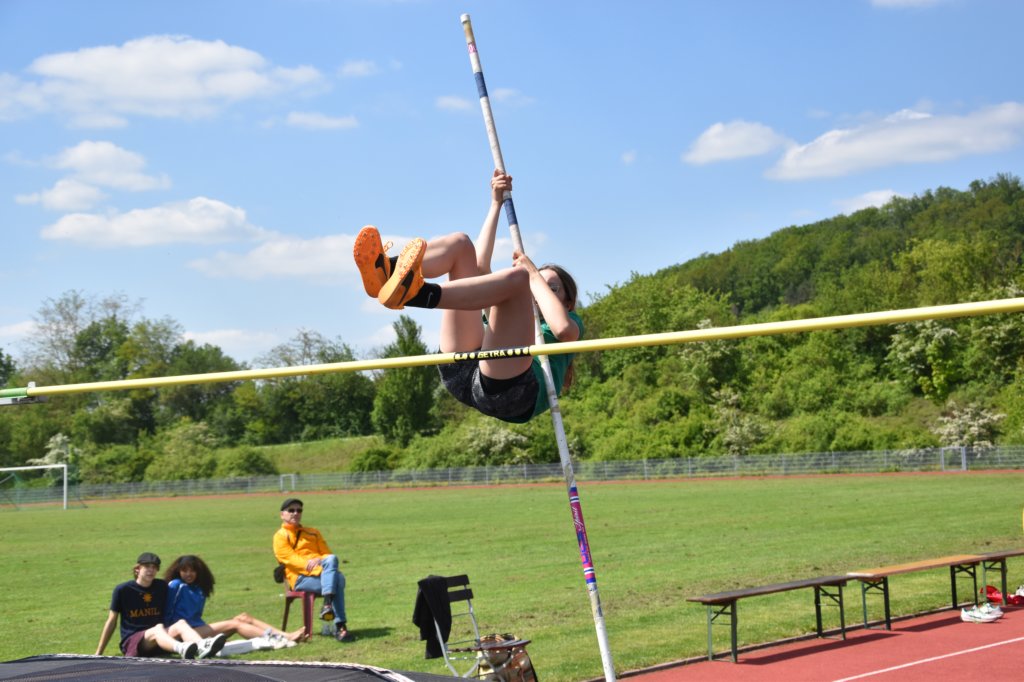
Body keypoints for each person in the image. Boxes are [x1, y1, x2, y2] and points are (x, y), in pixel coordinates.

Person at [353, 169, 583, 424]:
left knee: (517, 278)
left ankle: (415, 294)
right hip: (463, 370)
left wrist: (532, 274)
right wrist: (495, 203)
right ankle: (386, 272)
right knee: (461, 245)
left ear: (568, 302)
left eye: (550, 288)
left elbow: (563, 330)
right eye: (538, 286)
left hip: (512, 393)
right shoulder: (508, 315)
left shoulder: (570, 321)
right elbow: (480, 267)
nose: (539, 293)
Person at [95, 552, 226, 660]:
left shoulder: (161, 586)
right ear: (137, 569)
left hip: (160, 640)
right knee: (158, 628)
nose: (151, 570)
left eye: (154, 567)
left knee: (180, 623)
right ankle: (182, 648)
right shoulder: (123, 590)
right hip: (133, 642)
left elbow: (182, 586)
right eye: (147, 566)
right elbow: (111, 622)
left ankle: (201, 646)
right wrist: (98, 653)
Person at [164, 554, 306, 648]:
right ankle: (277, 640)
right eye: (184, 571)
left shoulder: (199, 588)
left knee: (244, 617)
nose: (188, 574)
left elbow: (195, 616)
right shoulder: (176, 585)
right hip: (184, 634)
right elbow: (166, 611)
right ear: (179, 571)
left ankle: (286, 636)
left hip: (199, 628)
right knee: (235, 624)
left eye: (192, 571)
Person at [272, 498, 355, 642]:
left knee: (332, 559)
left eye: (299, 510)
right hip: (299, 578)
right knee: (338, 580)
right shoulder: (280, 536)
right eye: (291, 510)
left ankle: (328, 606)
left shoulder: (313, 532)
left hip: (322, 573)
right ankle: (340, 626)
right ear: (282, 514)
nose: (295, 513)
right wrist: (319, 569)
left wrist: (319, 560)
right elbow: (290, 560)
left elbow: (327, 554)